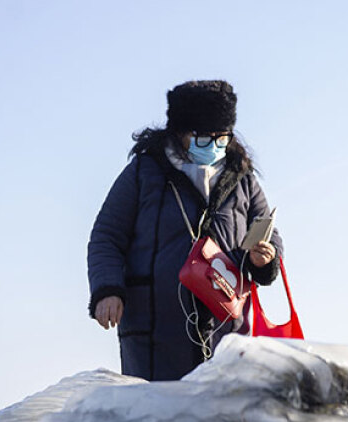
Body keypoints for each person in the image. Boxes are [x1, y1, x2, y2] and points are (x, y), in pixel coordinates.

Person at [87, 80, 284, 380]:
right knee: (159, 420)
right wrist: (107, 290)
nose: (214, 146)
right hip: (155, 332)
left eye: (222, 138)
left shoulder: (242, 178)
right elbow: (106, 236)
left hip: (226, 333)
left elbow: (271, 236)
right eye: (204, 138)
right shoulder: (143, 172)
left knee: (219, 420)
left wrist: (263, 260)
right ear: (179, 132)